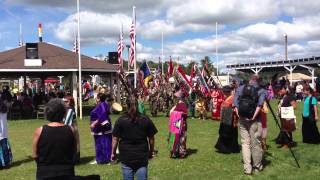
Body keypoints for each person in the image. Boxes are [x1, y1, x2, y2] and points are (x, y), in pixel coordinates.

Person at [112, 94, 158, 180]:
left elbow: (115, 139)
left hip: (126, 156)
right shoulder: (145, 119)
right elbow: (151, 138)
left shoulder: (121, 120)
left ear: (126, 105)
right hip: (141, 156)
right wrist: (151, 151)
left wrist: (113, 153)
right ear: (137, 105)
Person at [32, 98, 76, 180]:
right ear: (63, 113)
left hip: (44, 173)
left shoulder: (39, 131)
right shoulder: (71, 130)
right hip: (66, 172)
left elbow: (34, 155)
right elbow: (74, 151)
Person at [233, 75, 267, 175]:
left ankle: (247, 168)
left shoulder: (240, 88)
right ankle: (257, 166)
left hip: (242, 119)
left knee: (245, 143)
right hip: (255, 120)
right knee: (256, 143)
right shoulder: (262, 90)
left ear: (250, 80)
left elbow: (235, 104)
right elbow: (259, 105)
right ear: (259, 81)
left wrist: (239, 115)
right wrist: (253, 117)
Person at [215, 85, 240, 153]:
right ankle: (231, 147)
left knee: (226, 133)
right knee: (231, 133)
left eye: (224, 92)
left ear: (226, 92)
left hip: (229, 118)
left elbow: (233, 108)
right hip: (227, 118)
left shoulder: (232, 98)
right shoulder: (230, 97)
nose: (223, 94)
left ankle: (226, 148)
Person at [90, 93, 113, 164]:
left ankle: (107, 159)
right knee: (99, 144)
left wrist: (94, 123)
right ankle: (99, 159)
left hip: (102, 128)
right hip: (99, 129)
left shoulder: (102, 105)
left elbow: (102, 116)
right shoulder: (103, 105)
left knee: (105, 143)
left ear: (99, 98)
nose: (95, 99)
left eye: (96, 97)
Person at [168, 91, 188, 158]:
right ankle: (174, 152)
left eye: (176, 97)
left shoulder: (182, 104)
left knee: (181, 138)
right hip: (175, 124)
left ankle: (181, 152)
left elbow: (185, 113)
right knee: (174, 138)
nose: (174, 98)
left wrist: (177, 113)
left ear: (179, 98)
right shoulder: (177, 104)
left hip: (181, 124)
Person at [63, 96, 80, 163]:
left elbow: (67, 123)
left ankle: (73, 159)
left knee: (72, 145)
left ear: (71, 102)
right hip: (71, 129)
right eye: (64, 101)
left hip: (70, 130)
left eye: (66, 101)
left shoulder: (70, 110)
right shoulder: (67, 110)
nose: (64, 103)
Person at [0, 98, 12, 169]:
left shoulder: (4, 109)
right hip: (4, 132)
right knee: (4, 148)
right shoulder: (4, 109)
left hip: (3, 132)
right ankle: (6, 163)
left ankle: (2, 164)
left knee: (3, 148)